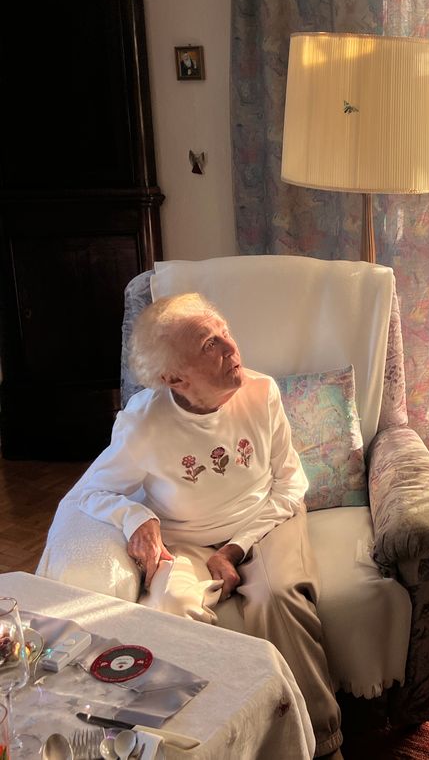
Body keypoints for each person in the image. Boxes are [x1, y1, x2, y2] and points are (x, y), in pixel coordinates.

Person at [77, 292, 343, 760]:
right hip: (187, 540)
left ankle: (322, 743)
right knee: (171, 609)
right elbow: (90, 491)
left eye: (225, 333)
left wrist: (236, 549)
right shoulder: (142, 425)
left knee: (276, 597)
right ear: (173, 378)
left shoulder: (262, 392)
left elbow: (290, 482)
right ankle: (209, 745)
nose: (231, 349)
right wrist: (137, 516)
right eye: (209, 345)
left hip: (266, 520)